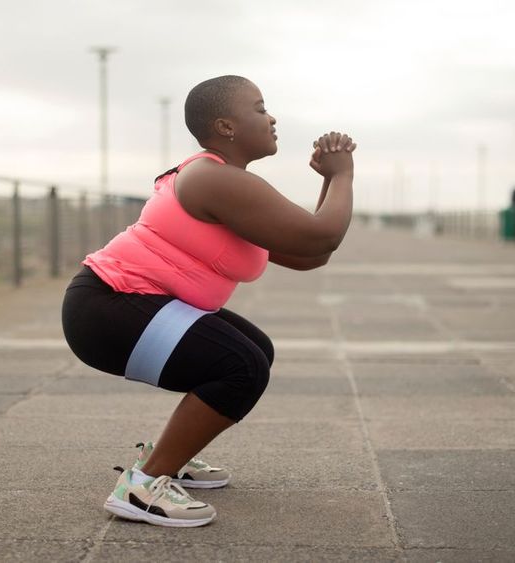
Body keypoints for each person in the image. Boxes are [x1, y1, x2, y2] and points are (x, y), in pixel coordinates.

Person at [61, 75, 356, 527]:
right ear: (226, 126)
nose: (272, 117)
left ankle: (166, 459)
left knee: (254, 348)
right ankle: (143, 488)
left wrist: (329, 184)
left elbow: (311, 253)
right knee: (240, 365)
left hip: (119, 305)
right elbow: (324, 233)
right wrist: (342, 175)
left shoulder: (228, 184)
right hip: (108, 307)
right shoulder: (213, 178)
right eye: (259, 108)